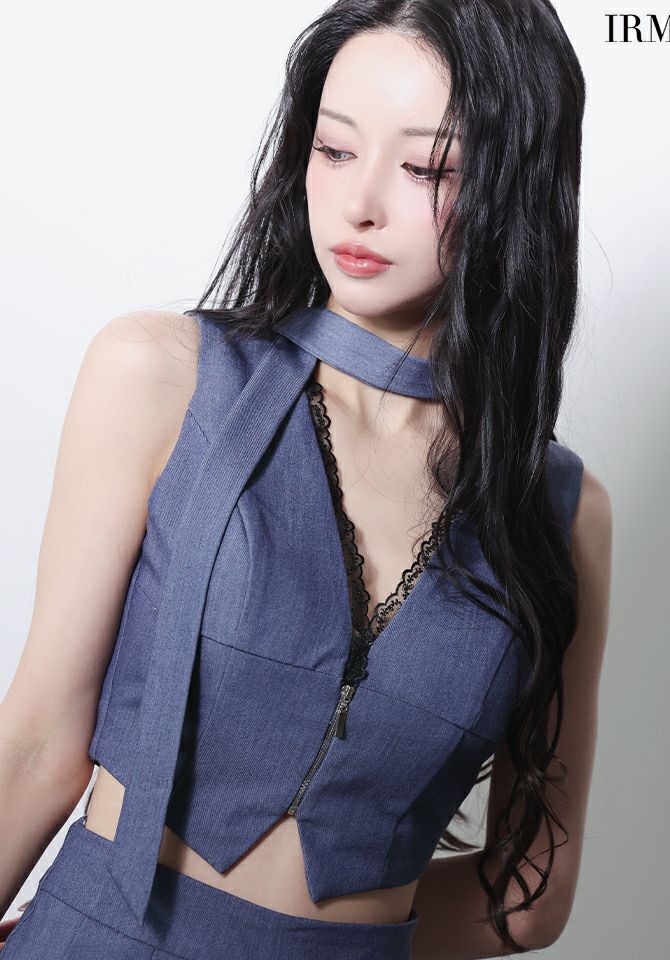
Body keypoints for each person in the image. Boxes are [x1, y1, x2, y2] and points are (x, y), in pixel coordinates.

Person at [0, 1, 612, 958]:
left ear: (518, 186)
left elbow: (526, 895)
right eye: (334, 149)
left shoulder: (561, 515)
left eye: (427, 169)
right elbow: (37, 748)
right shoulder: (161, 376)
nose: (360, 203)